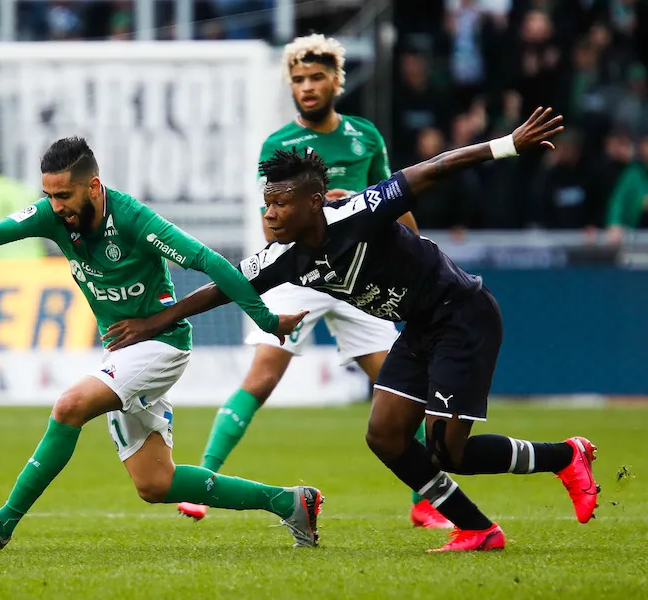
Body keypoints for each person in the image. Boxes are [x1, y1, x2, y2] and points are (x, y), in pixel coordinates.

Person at [101, 108, 601, 552]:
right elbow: (223, 287)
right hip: (421, 326)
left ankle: (565, 455)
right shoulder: (284, 258)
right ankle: (478, 529)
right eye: (266, 203)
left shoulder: (358, 213)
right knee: (385, 435)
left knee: (450, 451)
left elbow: (436, 168)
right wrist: (154, 322)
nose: (269, 213)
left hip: (462, 314)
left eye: (279, 204)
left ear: (315, 201)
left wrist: (507, 145)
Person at [0, 136, 322, 549]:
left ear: (93, 186)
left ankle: (2, 524)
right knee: (156, 483)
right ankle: (290, 502)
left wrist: (264, 318)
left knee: (70, 405)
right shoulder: (53, 216)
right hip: (123, 352)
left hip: (162, 346)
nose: (55, 207)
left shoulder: (133, 219)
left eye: (64, 196)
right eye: (49, 196)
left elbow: (208, 260)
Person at [166, 32, 451, 529]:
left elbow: (396, 199)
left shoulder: (365, 136)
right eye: (298, 79)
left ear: (336, 81)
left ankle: (426, 501)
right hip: (301, 272)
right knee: (261, 378)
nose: (307, 86)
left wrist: (416, 251)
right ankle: (204, 480)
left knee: (399, 390)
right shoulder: (279, 145)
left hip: (360, 273)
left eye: (316, 77)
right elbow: (269, 223)